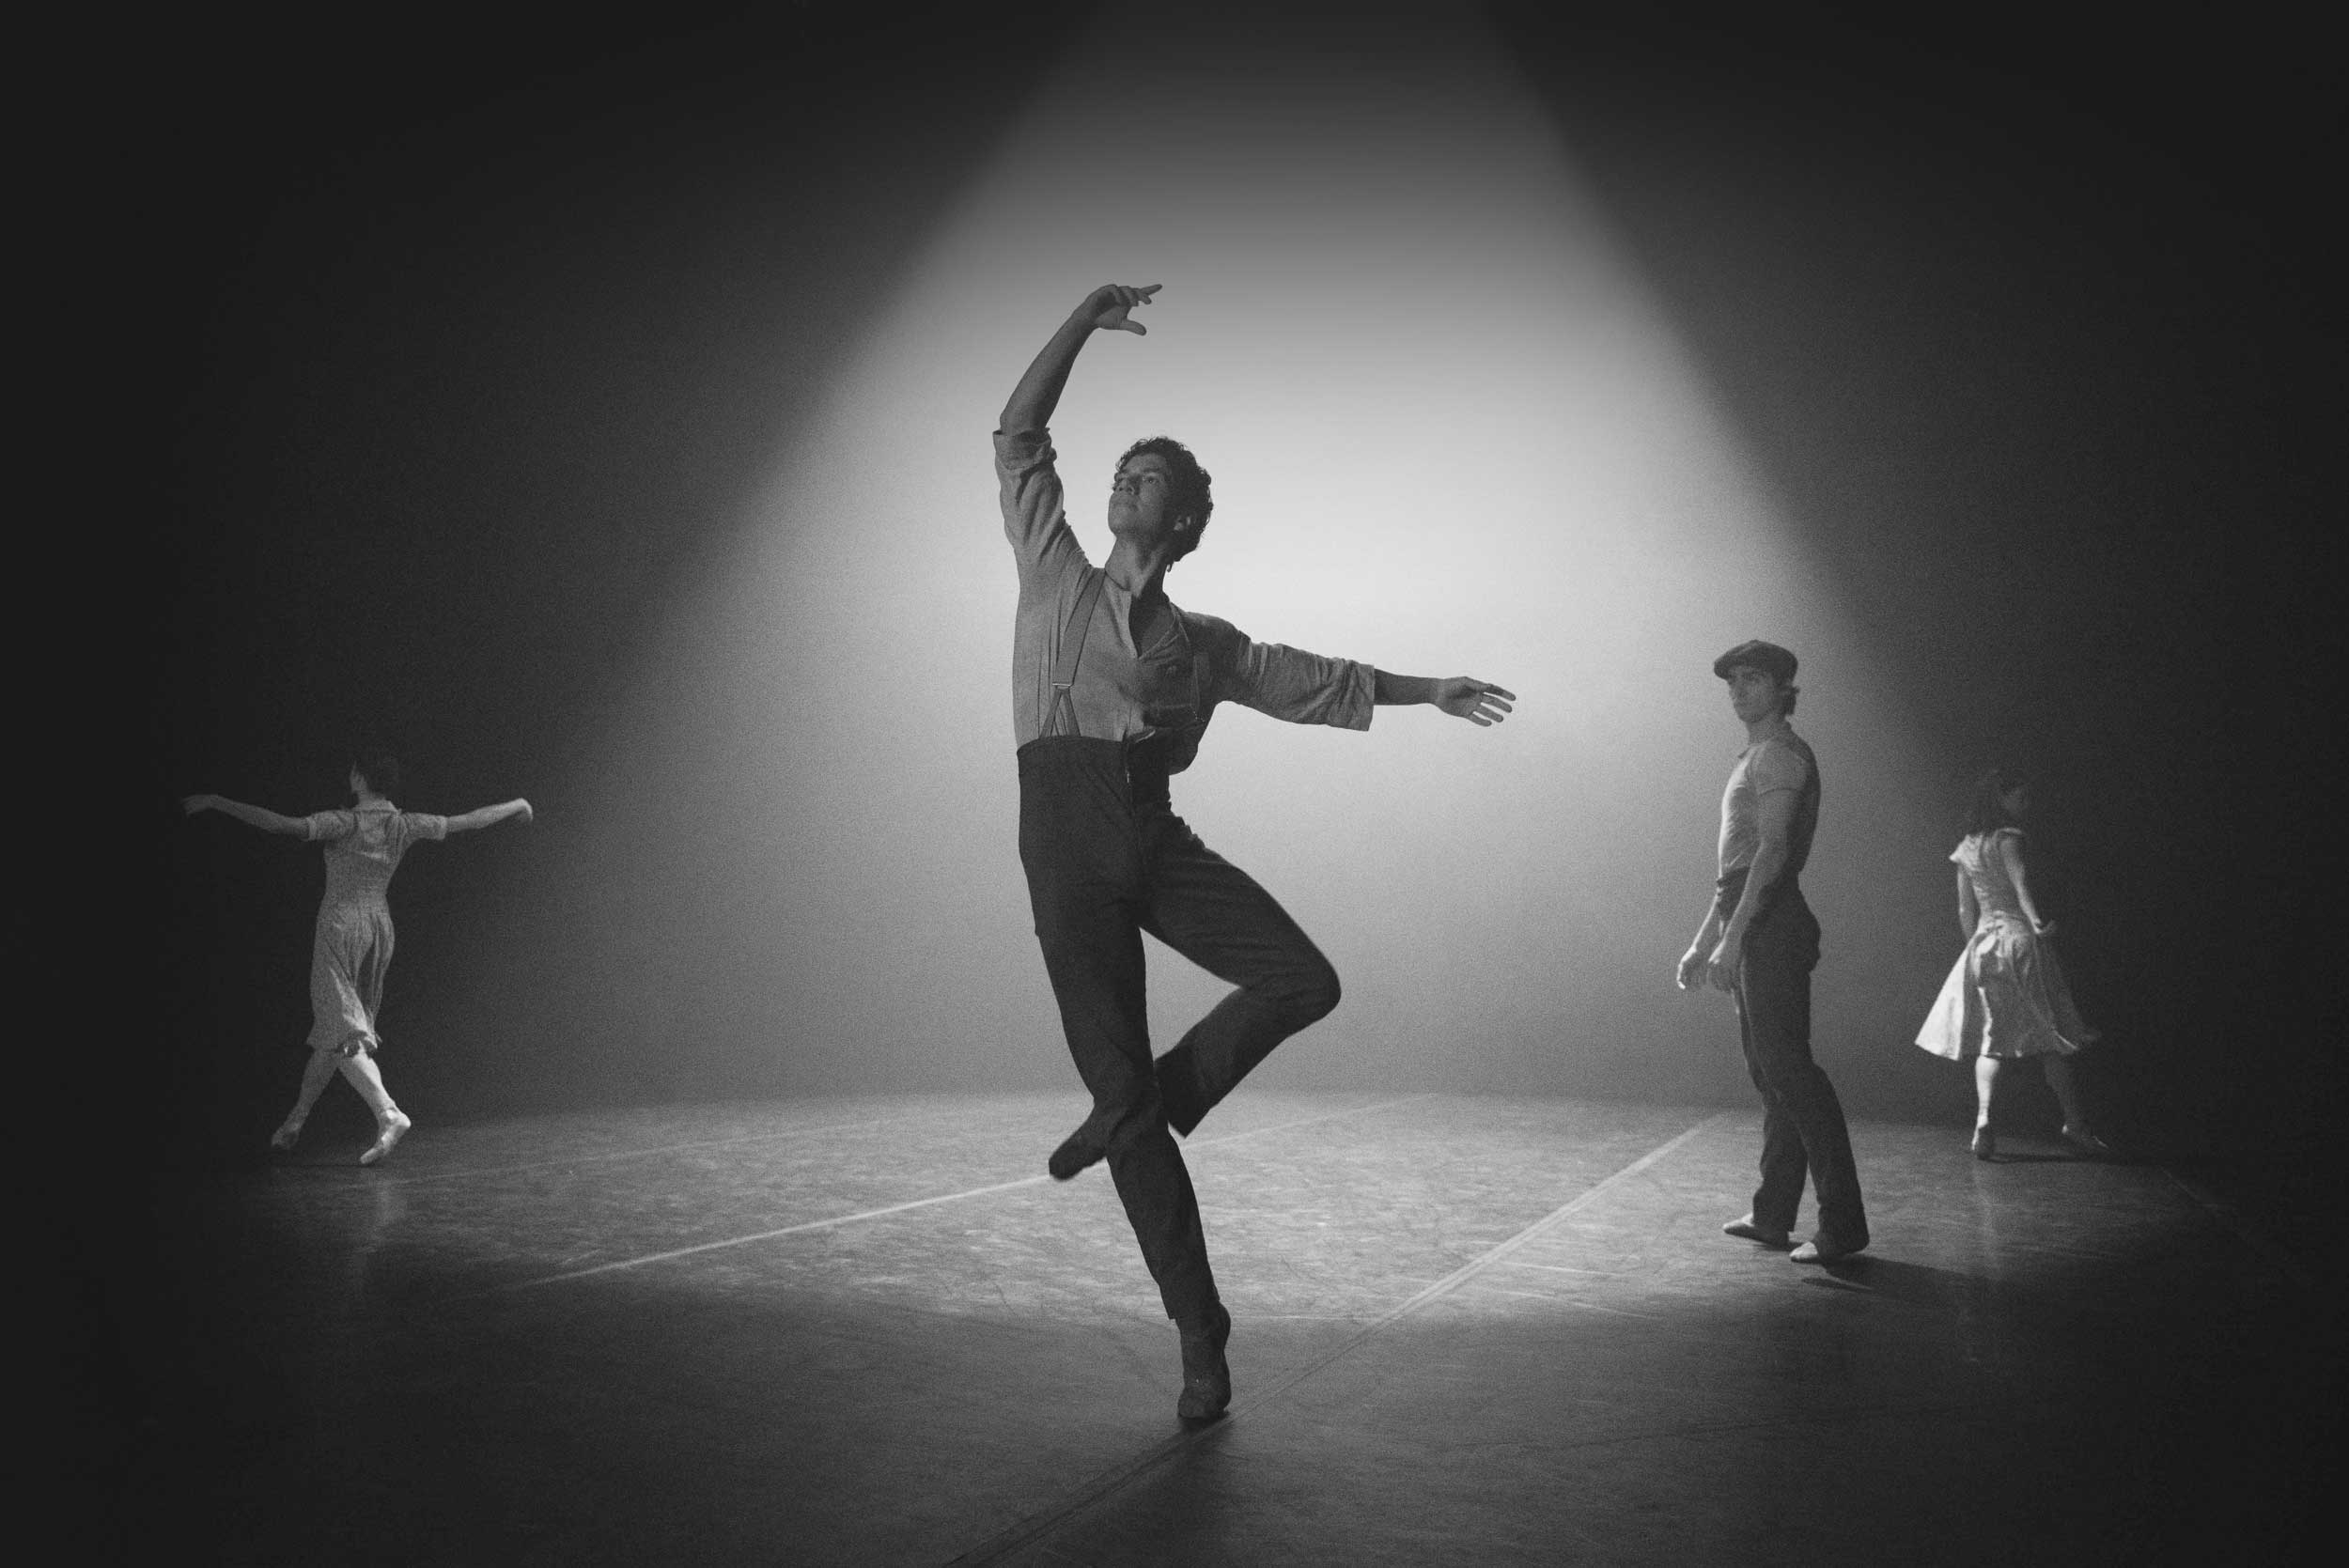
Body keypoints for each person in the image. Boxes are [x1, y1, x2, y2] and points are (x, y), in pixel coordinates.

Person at [997, 282, 1514, 1421]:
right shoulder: (1053, 571)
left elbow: (1309, 677)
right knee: (1125, 1115)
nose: (1126, 481)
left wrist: (1432, 689)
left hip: (1148, 830)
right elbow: (1018, 435)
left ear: (1180, 522)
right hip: (1060, 834)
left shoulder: (1203, 642)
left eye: (1151, 479)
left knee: (1303, 979)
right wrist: (1081, 322)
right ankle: (1199, 1330)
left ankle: (1152, 1096)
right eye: (1123, 470)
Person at [182, 757, 533, 1165]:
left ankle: (388, 1113)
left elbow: (282, 824)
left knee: (345, 1033)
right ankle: (294, 1121)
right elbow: (468, 821)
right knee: (334, 1031)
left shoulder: (343, 823)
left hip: (339, 926)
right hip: (378, 929)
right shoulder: (404, 824)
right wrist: (517, 804)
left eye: (352, 772)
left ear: (360, 780)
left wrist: (216, 800)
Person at [1676, 640, 1868, 1264]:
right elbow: (1731, 870)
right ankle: (1772, 1214)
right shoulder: (1752, 755)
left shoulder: (1782, 754)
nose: (1738, 689)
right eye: (1732, 679)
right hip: (1753, 916)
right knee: (1774, 1076)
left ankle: (1843, 1226)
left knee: (1792, 1074)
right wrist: (1706, 938)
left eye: (1752, 678)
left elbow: (1773, 851)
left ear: (1781, 687)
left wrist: (1733, 938)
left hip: (1774, 922)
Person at [1913, 768, 2108, 1159]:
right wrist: (2037, 924)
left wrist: (1974, 948)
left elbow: (1965, 909)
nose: (2026, 805)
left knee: (1991, 1041)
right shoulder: (2010, 839)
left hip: (1985, 945)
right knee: (2051, 1039)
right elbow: (2021, 888)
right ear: (2001, 800)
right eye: (2020, 797)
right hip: (2018, 941)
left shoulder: (1966, 846)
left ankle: (1984, 1118)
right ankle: (2075, 1123)